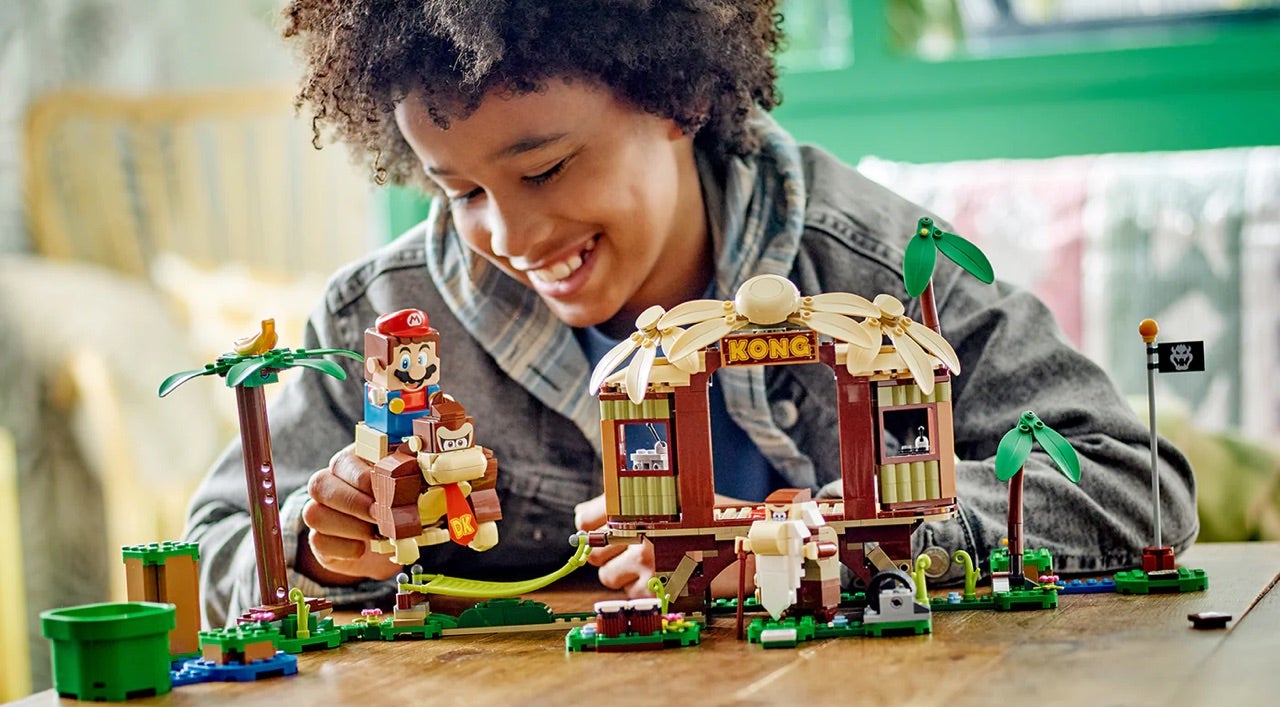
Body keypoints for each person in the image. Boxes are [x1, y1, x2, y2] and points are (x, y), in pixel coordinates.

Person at [184, 0, 1197, 627]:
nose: (512, 233)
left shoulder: (882, 270)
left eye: (544, 166)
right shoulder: (386, 318)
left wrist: (863, 538)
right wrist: (319, 547)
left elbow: (1131, 481)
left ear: (682, 102)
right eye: (458, 190)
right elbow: (221, 547)